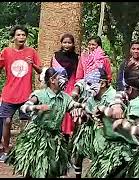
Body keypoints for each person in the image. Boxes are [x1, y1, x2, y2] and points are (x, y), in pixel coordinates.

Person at [5, 67, 84, 178]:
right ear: (52, 80)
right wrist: (37, 107)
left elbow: (73, 107)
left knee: (53, 170)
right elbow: (24, 108)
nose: (65, 80)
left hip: (55, 138)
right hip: (37, 136)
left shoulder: (65, 98)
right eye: (62, 77)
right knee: (33, 170)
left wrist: (78, 110)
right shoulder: (39, 95)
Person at [0, 25, 42, 162]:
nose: (21, 37)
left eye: (23, 35)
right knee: (6, 121)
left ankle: (24, 151)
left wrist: (33, 64)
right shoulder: (6, 52)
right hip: (9, 94)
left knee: (26, 124)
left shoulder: (31, 51)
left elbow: (41, 71)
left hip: (26, 95)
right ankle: (6, 150)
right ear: (13, 37)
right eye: (18, 35)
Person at [70, 68, 116, 178]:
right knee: (79, 149)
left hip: (111, 140)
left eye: (91, 84)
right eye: (87, 84)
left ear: (103, 83)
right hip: (96, 135)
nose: (88, 88)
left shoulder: (114, 97)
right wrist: (82, 115)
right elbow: (89, 116)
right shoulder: (92, 98)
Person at [51, 33, 79, 139]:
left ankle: (67, 136)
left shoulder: (77, 58)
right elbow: (52, 73)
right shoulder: (56, 56)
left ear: (73, 44)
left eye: (69, 43)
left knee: (69, 111)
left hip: (71, 87)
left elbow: (79, 73)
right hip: (58, 87)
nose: (67, 45)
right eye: (65, 42)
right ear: (61, 43)